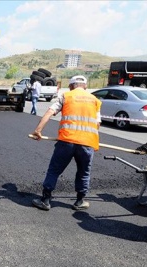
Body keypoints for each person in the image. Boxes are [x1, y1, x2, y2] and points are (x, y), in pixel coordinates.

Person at [31, 75, 102, 211]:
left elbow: (50, 112)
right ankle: (80, 201)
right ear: (85, 86)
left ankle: (45, 200)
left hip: (67, 141)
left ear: (71, 86)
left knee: (54, 170)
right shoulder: (95, 101)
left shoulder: (66, 96)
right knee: (84, 172)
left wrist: (38, 130)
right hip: (87, 143)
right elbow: (97, 124)